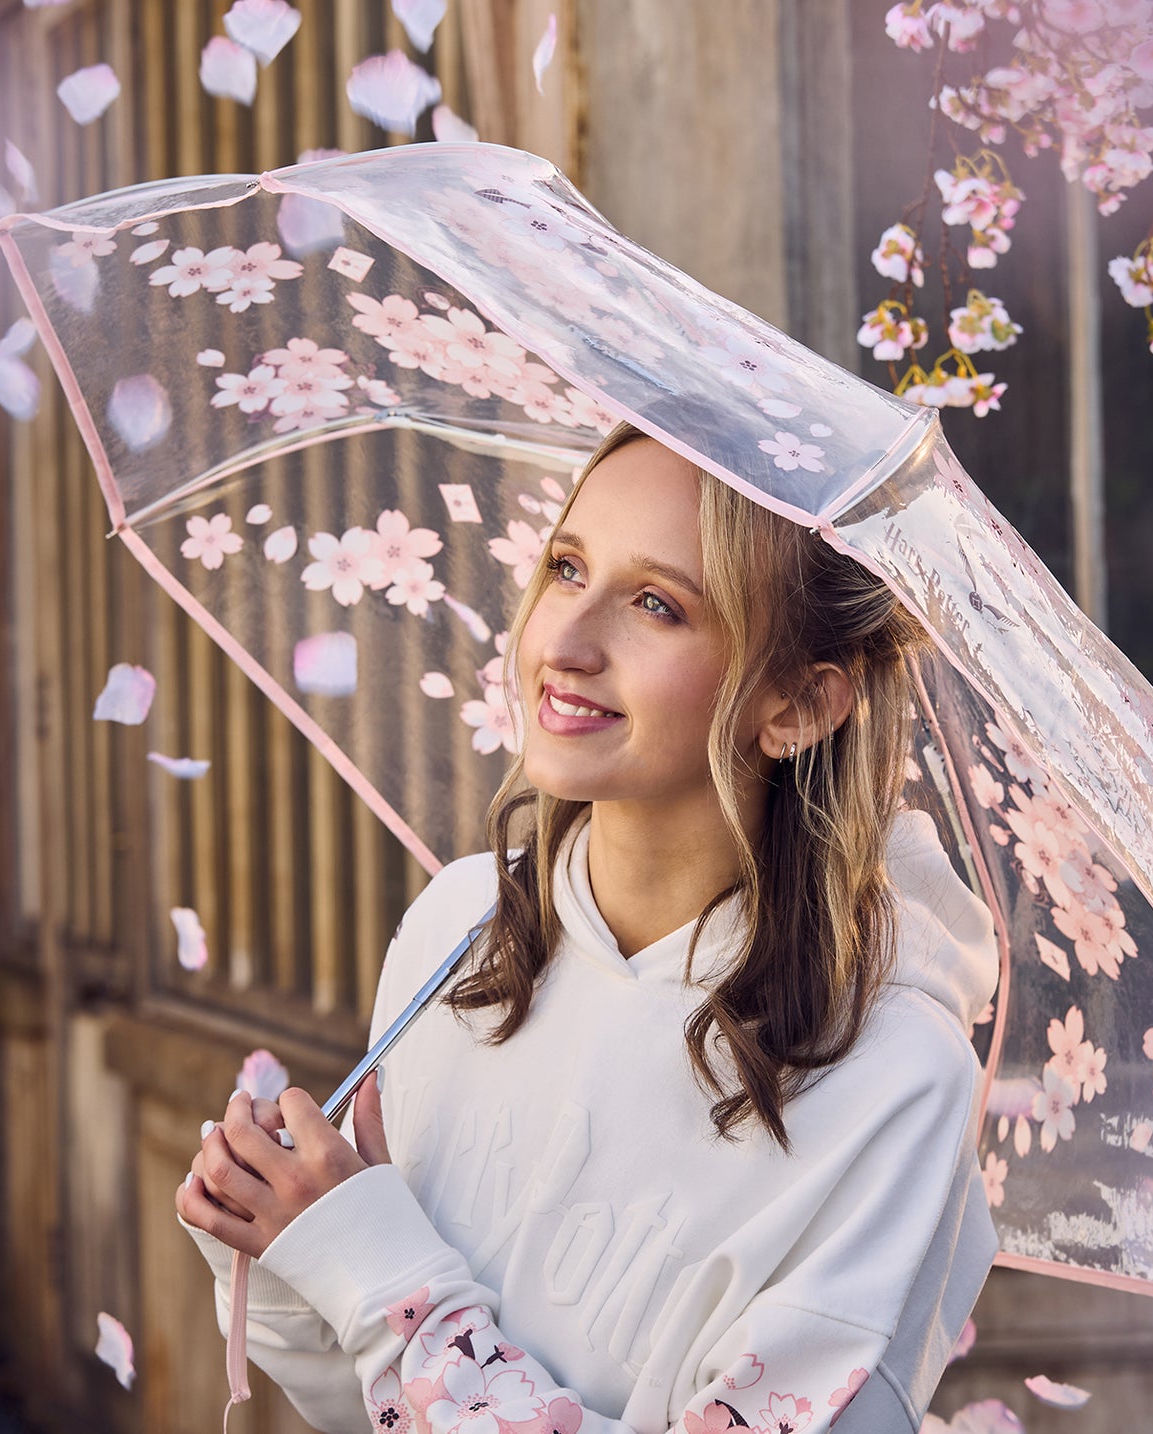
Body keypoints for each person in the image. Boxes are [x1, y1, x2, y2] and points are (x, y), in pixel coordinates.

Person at [175, 422, 999, 1434]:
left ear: (796, 704)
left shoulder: (893, 1082)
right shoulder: (462, 929)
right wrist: (286, 1237)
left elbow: (395, 1311)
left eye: (657, 604)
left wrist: (380, 1269)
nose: (562, 643)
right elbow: (362, 1402)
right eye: (566, 567)